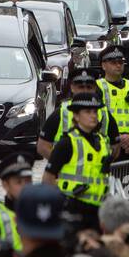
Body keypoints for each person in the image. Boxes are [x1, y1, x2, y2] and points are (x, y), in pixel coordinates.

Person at [43, 94, 111, 233]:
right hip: (72, 209)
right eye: (87, 112)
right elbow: (48, 179)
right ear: (77, 116)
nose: (93, 116)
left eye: (95, 112)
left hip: (98, 209)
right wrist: (62, 202)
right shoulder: (67, 142)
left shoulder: (103, 141)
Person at [37, 67, 117, 160]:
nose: (85, 91)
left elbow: (116, 147)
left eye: (89, 87)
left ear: (95, 88)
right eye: (81, 87)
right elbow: (42, 147)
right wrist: (59, 165)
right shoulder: (61, 112)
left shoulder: (104, 113)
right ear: (72, 88)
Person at [95, 48, 129, 157]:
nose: (118, 65)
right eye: (113, 63)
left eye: (120, 62)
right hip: (107, 145)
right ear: (103, 65)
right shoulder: (97, 87)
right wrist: (116, 141)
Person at [0, 153, 34, 251]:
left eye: (28, 181)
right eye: (19, 182)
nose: (25, 187)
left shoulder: (42, 211)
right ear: (5, 185)